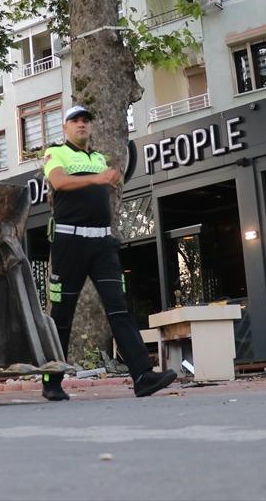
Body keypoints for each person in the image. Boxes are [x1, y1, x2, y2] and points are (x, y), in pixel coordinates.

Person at [40, 105, 177, 400]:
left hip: (103, 244)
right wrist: (98, 179)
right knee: (61, 315)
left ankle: (142, 376)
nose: (81, 125)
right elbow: (59, 182)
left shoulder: (99, 158)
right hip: (69, 243)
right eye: (75, 121)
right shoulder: (56, 153)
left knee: (119, 310)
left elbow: (108, 186)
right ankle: (52, 382)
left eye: (86, 121)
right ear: (65, 128)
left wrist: (110, 178)